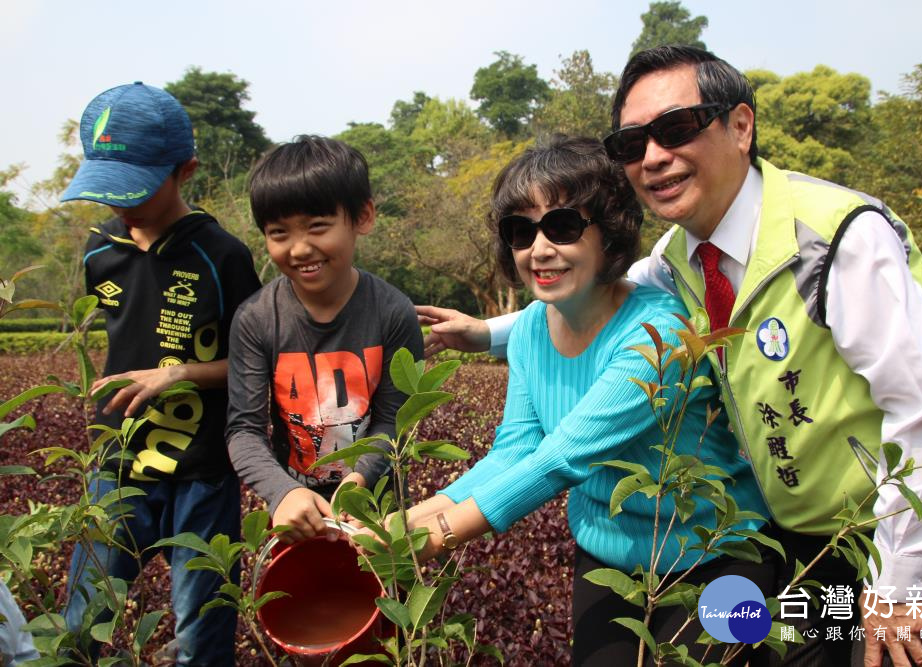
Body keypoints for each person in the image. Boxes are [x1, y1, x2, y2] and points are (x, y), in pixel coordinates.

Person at [417, 47, 922, 667]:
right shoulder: (676, 258)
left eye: (676, 128)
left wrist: (900, 586)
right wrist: (488, 334)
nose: (654, 156)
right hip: (802, 531)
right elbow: (591, 292)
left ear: (741, 127)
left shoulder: (836, 239)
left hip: (913, 522)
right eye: (633, 143)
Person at [396, 136, 770, 666]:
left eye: (563, 226)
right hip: (608, 553)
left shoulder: (656, 333)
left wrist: (437, 536)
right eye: (521, 232)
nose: (540, 249)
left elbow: (564, 456)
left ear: (610, 232)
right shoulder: (528, 329)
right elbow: (514, 451)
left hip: (712, 552)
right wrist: (412, 519)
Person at [61, 82, 261, 665]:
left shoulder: (221, 255)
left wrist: (175, 376)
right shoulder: (99, 252)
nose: (121, 205)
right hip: (118, 462)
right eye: (108, 189)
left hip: (201, 469)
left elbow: (254, 362)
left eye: (137, 190)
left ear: (186, 171)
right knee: (83, 618)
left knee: (202, 631)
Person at [226, 136, 423, 544]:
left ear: (362, 217)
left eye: (318, 226)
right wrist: (282, 492)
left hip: (374, 509)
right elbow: (244, 429)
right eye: (279, 232)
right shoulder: (256, 319)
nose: (299, 248)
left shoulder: (392, 312)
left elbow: (394, 420)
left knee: (384, 602)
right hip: (295, 514)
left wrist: (361, 476)